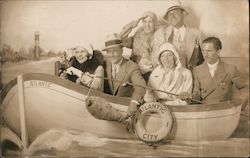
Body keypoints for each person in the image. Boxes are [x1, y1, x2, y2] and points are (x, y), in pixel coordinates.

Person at [180, 37, 248, 104]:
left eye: (209, 51)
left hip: (224, 110)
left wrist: (239, 103)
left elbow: (246, 88)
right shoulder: (197, 70)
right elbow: (197, 95)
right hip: (205, 110)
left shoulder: (230, 69)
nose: (205, 55)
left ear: (218, 51)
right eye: (203, 50)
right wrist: (189, 96)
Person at [102, 33, 146, 116]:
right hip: (108, 108)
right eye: (109, 52)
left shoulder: (132, 67)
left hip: (125, 110)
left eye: (115, 51)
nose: (111, 55)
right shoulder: (105, 63)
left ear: (122, 50)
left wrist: (134, 102)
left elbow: (141, 87)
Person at [151, 2, 203, 69]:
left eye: (175, 12)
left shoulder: (196, 34)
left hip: (192, 74)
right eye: (170, 14)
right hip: (170, 75)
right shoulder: (161, 33)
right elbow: (155, 59)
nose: (172, 16)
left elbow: (205, 57)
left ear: (183, 14)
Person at [120, 11, 157, 80]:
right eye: (145, 22)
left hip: (151, 73)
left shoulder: (160, 38)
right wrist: (132, 24)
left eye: (150, 22)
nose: (147, 25)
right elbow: (121, 38)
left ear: (154, 23)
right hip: (135, 70)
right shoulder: (137, 36)